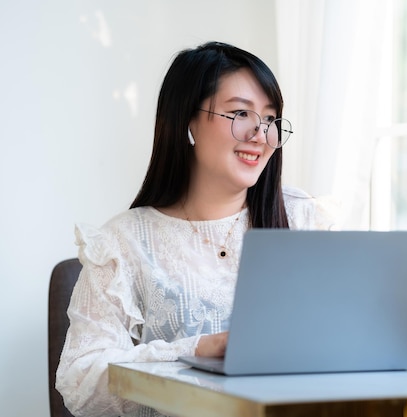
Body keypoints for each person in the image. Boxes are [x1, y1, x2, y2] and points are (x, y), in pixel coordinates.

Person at [56, 41, 335, 417]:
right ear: (188, 121)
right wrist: (194, 350)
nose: (261, 134)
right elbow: (80, 382)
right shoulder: (121, 244)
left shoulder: (304, 220)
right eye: (240, 113)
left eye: (270, 119)